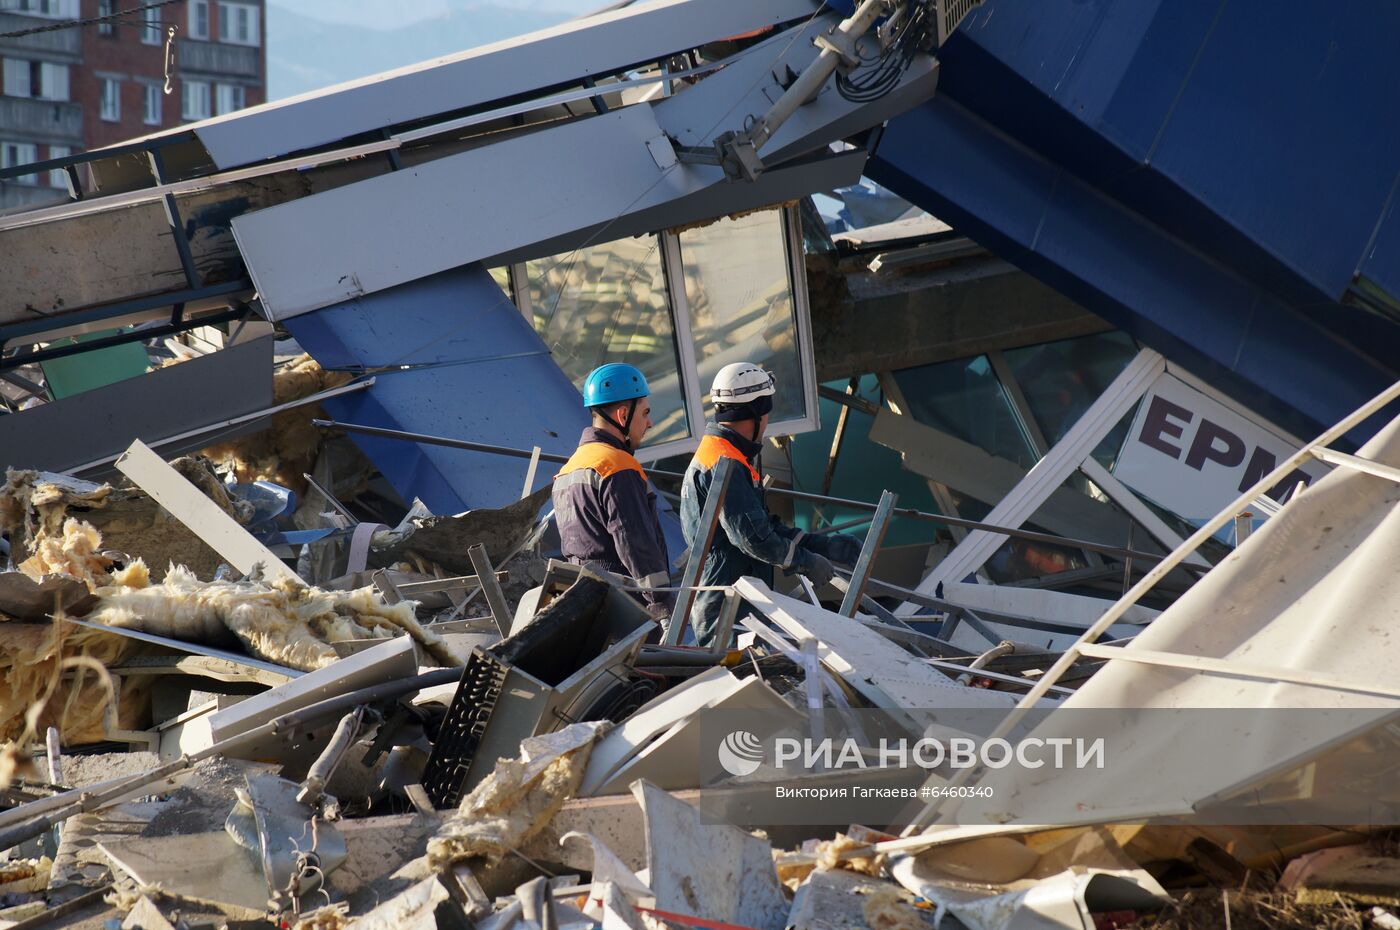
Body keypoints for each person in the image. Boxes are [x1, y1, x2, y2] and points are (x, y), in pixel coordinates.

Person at [680, 362, 865, 647]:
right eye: (765, 413)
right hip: (730, 609)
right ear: (753, 413)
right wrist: (805, 561)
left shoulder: (725, 456)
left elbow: (763, 527)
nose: (767, 424)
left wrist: (819, 545)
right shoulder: (725, 464)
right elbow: (754, 538)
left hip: (734, 600)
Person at [552, 363, 672, 621]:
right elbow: (635, 543)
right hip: (628, 607)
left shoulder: (567, 471)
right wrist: (662, 602)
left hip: (586, 604)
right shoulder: (617, 465)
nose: (649, 423)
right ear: (622, 415)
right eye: (645, 413)